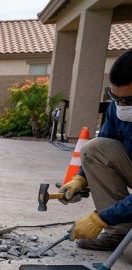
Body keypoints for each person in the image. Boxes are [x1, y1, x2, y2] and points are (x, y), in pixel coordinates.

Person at [60, 49, 132, 253]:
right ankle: (119, 232)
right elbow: (104, 146)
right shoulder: (117, 108)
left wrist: (101, 218)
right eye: (114, 97)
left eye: (128, 101)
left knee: (130, 253)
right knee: (93, 148)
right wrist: (81, 178)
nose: (120, 105)